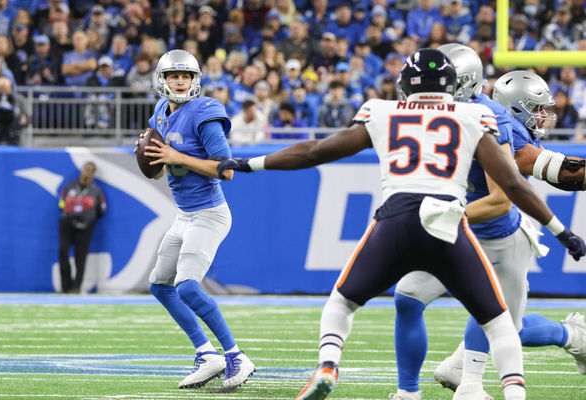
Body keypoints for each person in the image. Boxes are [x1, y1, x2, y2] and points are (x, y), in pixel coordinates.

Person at [216, 48, 586, 400]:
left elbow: (513, 189)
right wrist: (561, 231)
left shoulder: (418, 113)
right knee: (432, 304)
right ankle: (415, 389)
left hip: (481, 231)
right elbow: (515, 182)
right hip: (447, 227)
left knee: (346, 302)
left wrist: (253, 163)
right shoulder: (467, 117)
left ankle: (554, 343)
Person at [391, 44, 586, 400]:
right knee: (408, 298)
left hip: (493, 233)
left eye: (439, 85)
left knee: (502, 323)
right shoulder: (428, 113)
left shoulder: (495, 120)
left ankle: (570, 337)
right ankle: (418, 388)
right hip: (452, 230)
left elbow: (529, 179)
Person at [134, 49, 255, 391]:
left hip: (209, 213)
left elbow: (227, 171)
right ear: (163, 81)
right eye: (174, 76)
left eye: (186, 76)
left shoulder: (205, 111)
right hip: (184, 215)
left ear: (196, 81)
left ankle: (235, 355)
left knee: (187, 286)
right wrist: (152, 159)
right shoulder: (159, 113)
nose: (180, 81)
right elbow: (159, 174)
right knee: (160, 285)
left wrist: (176, 156)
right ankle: (207, 354)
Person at [58, 161, 106, 294]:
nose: (88, 172)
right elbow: (61, 203)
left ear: (94, 173)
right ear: (81, 170)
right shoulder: (70, 186)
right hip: (67, 223)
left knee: (81, 256)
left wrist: (89, 219)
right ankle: (65, 286)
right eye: (86, 168)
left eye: (91, 170)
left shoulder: (95, 190)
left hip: (86, 226)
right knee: (63, 252)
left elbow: (101, 209)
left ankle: (76, 286)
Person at [0, 75, 28, 145]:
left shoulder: (19, 100)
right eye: (1, 88)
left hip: (15, 137)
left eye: (6, 88)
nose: (4, 91)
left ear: (11, 87)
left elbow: (26, 118)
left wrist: (22, 120)